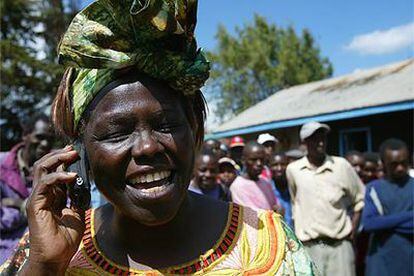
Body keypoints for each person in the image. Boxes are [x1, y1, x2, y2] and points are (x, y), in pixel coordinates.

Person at [0, 1, 317, 274]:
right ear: (78, 153)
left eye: (166, 124)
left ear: (195, 130)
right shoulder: (47, 248)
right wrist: (46, 266)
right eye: (117, 133)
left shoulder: (269, 247)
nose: (148, 146)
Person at [286, 121, 365, 276]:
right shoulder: (294, 170)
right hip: (309, 248)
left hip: (340, 246)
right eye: (314, 139)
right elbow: (295, 201)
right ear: (305, 142)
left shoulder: (341, 166)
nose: (320, 143)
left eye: (323, 138)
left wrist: (353, 230)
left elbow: (359, 199)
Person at [0, 114, 54, 264]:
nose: (44, 143)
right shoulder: (2, 164)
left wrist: (18, 204)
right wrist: (31, 210)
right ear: (25, 135)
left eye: (49, 139)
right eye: (40, 137)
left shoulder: (54, 171)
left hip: (35, 258)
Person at [361, 139, 413, 276]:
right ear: (383, 164)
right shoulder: (374, 189)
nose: (400, 168)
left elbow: (378, 222)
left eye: (404, 163)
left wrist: (385, 223)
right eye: (394, 164)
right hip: (381, 263)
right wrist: (409, 215)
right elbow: (370, 224)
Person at [230, 142, 280, 211]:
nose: (259, 163)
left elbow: (275, 206)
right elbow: (249, 216)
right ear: (243, 160)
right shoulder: (238, 186)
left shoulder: (265, 182)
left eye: (262, 160)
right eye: (253, 160)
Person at [269, 152, 293, 228]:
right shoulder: (267, 189)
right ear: (269, 167)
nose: (279, 168)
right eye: (275, 165)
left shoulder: (294, 185)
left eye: (283, 164)